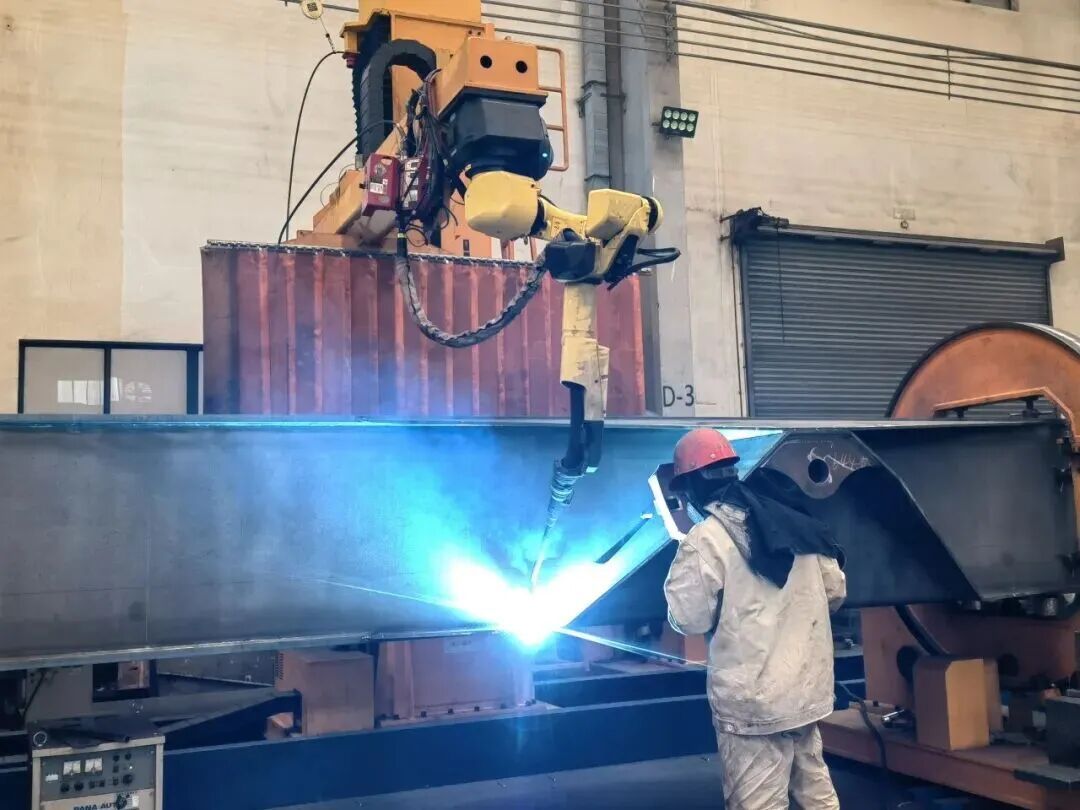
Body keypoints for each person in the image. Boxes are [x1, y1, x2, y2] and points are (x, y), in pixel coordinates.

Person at [663, 428, 846, 810]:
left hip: (754, 707)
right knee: (816, 795)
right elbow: (834, 591)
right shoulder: (792, 520)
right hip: (805, 692)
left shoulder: (706, 540)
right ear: (733, 471)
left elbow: (689, 619)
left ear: (690, 487)